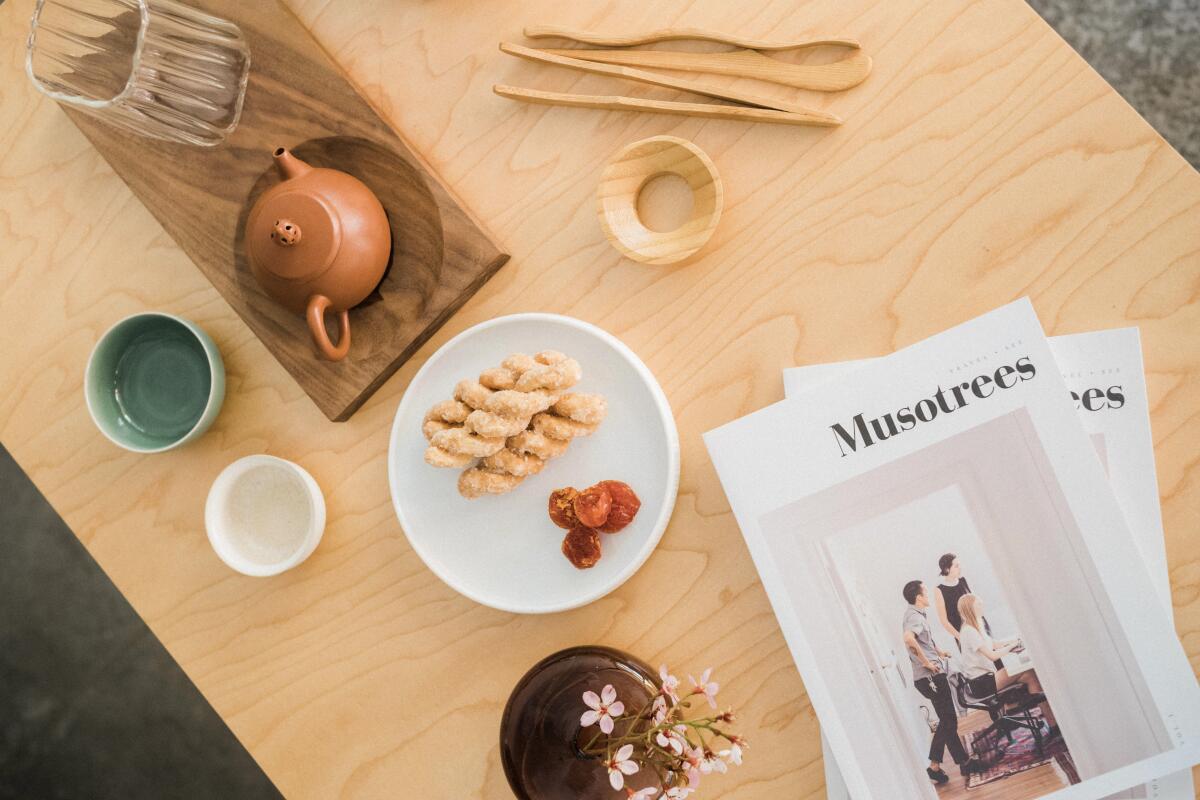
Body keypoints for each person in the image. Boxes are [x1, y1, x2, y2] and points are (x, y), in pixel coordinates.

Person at [902, 580, 982, 784]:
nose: (928, 595)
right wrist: (927, 663)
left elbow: (923, 641)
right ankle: (934, 765)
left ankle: (962, 762)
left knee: (947, 720)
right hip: (930, 677)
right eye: (925, 592)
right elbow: (909, 639)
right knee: (948, 720)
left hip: (929, 677)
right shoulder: (913, 616)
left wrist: (938, 652)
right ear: (918, 597)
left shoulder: (917, 615)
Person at [956, 593, 1060, 739]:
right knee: (1028, 670)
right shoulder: (969, 631)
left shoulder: (975, 625)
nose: (982, 607)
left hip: (985, 680)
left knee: (1030, 676)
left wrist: (1015, 640)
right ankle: (1048, 717)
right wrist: (1012, 646)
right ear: (970, 608)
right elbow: (992, 655)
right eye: (978, 605)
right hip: (981, 683)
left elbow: (993, 644)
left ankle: (1053, 724)